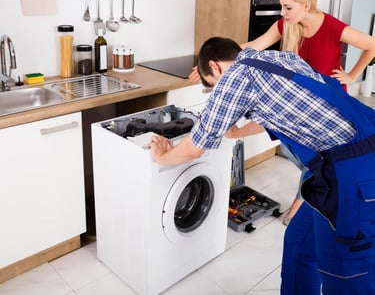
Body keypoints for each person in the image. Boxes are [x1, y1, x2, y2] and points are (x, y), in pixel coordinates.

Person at [151, 36, 375, 294]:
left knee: (346, 272)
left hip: (356, 177)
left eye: (213, 85)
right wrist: (236, 132)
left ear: (214, 67)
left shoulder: (234, 77)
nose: (218, 91)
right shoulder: (275, 58)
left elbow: (195, 146)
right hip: (342, 167)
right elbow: (282, 110)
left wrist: (162, 157)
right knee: (299, 245)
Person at [189, 0, 375, 224]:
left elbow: (372, 44)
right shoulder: (285, 25)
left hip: (324, 107)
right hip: (291, 106)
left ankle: (304, 203)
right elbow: (254, 45)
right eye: (281, 6)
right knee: (305, 159)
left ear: (306, 6)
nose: (282, 12)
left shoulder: (333, 27)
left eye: (288, 7)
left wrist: (352, 75)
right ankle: (310, 197)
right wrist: (210, 62)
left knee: (317, 161)